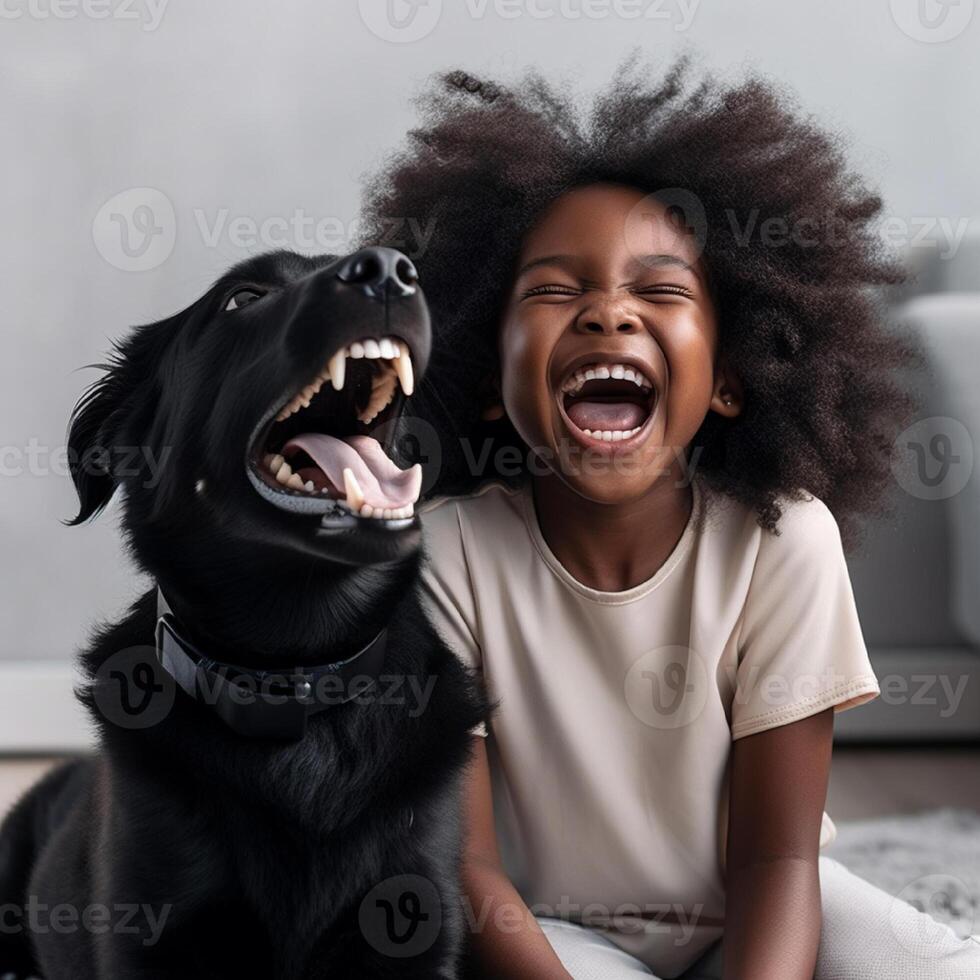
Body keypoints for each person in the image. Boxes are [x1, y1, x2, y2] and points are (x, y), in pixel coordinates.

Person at [362, 60, 980, 979]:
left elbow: (777, 860)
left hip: (754, 901)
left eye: (660, 292)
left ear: (730, 378)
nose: (609, 313)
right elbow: (469, 868)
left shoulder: (782, 542)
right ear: (486, 379)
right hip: (552, 929)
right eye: (554, 291)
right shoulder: (445, 556)